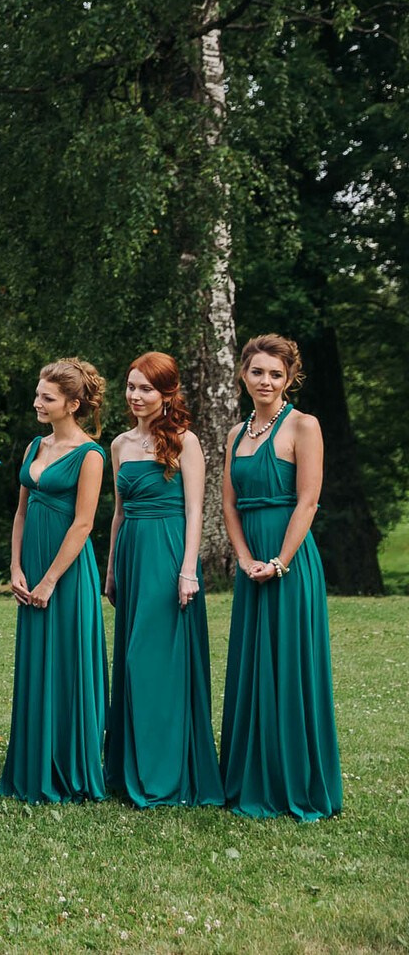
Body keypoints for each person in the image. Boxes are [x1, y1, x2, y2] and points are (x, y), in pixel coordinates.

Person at [219, 334, 342, 820]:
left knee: (290, 666)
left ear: (289, 378)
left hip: (290, 562)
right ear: (244, 375)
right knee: (253, 666)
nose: (266, 381)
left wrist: (280, 561)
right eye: (257, 372)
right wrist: (246, 558)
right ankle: (251, 775)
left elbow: (308, 500)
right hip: (252, 564)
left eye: (276, 373)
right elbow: (228, 504)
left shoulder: (304, 426)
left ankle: (297, 780)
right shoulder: (234, 434)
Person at [103, 351, 221, 807]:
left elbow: (196, 510)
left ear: (168, 393)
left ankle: (165, 773)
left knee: (154, 661)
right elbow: (117, 513)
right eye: (131, 387)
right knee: (131, 662)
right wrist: (111, 568)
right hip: (132, 553)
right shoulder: (118, 445)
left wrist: (189, 569)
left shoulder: (186, 442)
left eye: (146, 389)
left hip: (169, 553)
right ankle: (130, 764)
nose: (136, 396)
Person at [1, 358, 109, 803]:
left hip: (66, 572)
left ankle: (70, 766)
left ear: (73, 403)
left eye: (47, 397)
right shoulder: (34, 447)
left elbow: (84, 525)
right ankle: (32, 762)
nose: (37, 403)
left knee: (67, 661)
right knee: (36, 661)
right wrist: (15, 567)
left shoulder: (91, 455)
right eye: (38, 394)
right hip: (31, 565)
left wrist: (48, 581)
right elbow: (21, 511)